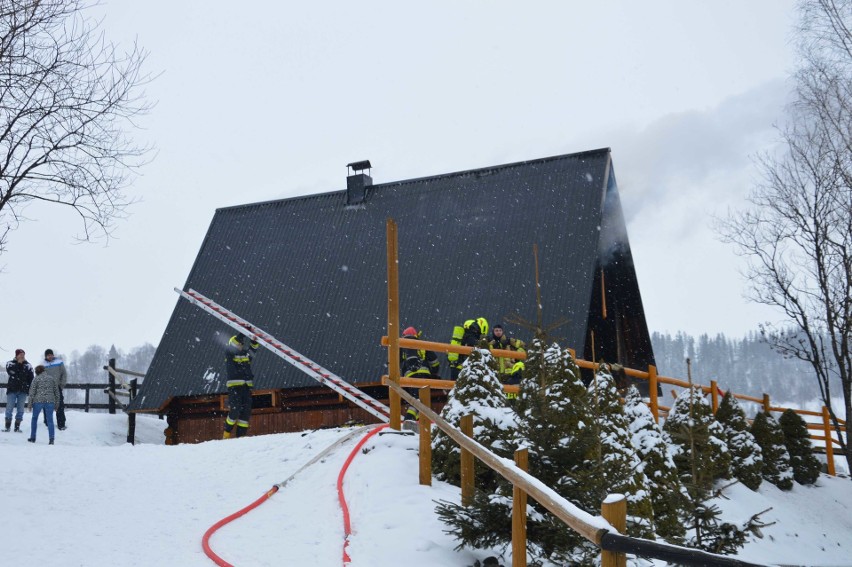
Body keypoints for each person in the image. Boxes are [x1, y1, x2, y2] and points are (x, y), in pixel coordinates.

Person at [223, 332, 259, 439]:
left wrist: (254, 341)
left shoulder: (245, 355)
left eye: (242, 344)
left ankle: (240, 438)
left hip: (246, 387)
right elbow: (231, 347)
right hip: (234, 387)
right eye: (239, 343)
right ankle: (226, 433)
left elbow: (253, 351)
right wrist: (241, 335)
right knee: (235, 410)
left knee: (245, 413)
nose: (241, 345)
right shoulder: (229, 353)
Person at [399, 326, 440, 421]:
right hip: (424, 376)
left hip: (409, 378)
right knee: (421, 399)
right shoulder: (422, 345)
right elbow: (435, 362)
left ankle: (414, 419)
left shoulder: (401, 347)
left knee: (417, 399)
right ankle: (410, 419)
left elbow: (395, 362)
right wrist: (434, 373)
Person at [488, 324, 526, 400]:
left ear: (503, 331)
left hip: (509, 374)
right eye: (496, 330)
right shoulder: (489, 342)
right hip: (495, 374)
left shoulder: (509, 341)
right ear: (493, 331)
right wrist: (491, 346)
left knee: (510, 396)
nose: (498, 332)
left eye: (500, 330)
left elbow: (524, 346)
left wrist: (516, 356)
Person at [27, 364, 60, 445]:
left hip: (38, 401)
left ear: (37, 372)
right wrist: (57, 404)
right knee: (50, 421)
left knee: (34, 419)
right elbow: (56, 392)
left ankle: (33, 437)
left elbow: (32, 392)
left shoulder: (36, 379)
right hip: (50, 401)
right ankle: (51, 439)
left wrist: (30, 404)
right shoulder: (51, 379)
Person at [4, 349, 34, 433]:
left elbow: (31, 378)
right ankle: (7, 427)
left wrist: (28, 388)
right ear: (16, 355)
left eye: (23, 354)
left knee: (20, 409)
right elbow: (12, 372)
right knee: (9, 408)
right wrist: (19, 364)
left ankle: (17, 427)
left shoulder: (28, 365)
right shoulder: (10, 363)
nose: (22, 356)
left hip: (23, 391)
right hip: (12, 390)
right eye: (20, 354)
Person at [42, 349, 68, 430]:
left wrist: (61, 385)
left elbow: (64, 374)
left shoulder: (59, 362)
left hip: (57, 387)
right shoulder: (43, 364)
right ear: (46, 356)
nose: (50, 356)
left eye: (51, 354)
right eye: (48, 355)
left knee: (59, 406)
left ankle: (61, 424)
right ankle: (47, 423)